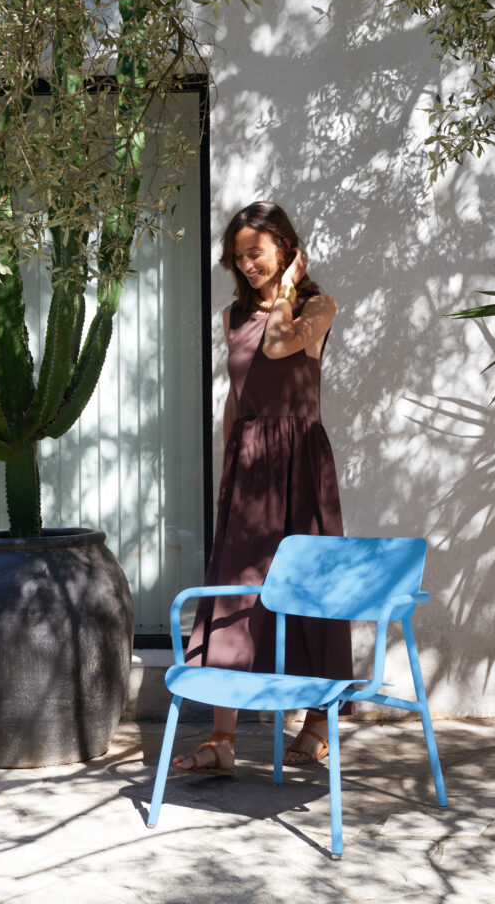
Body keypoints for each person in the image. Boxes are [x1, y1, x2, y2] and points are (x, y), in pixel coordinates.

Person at [173, 201, 353, 774]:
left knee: (310, 584)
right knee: (236, 589)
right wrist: (231, 464)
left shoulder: (317, 306)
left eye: (256, 252)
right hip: (250, 462)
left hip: (300, 460)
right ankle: (223, 737)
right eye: (238, 256)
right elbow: (235, 395)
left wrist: (289, 288)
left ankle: (318, 722)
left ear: (285, 248)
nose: (246, 264)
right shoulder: (231, 316)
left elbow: (279, 345)